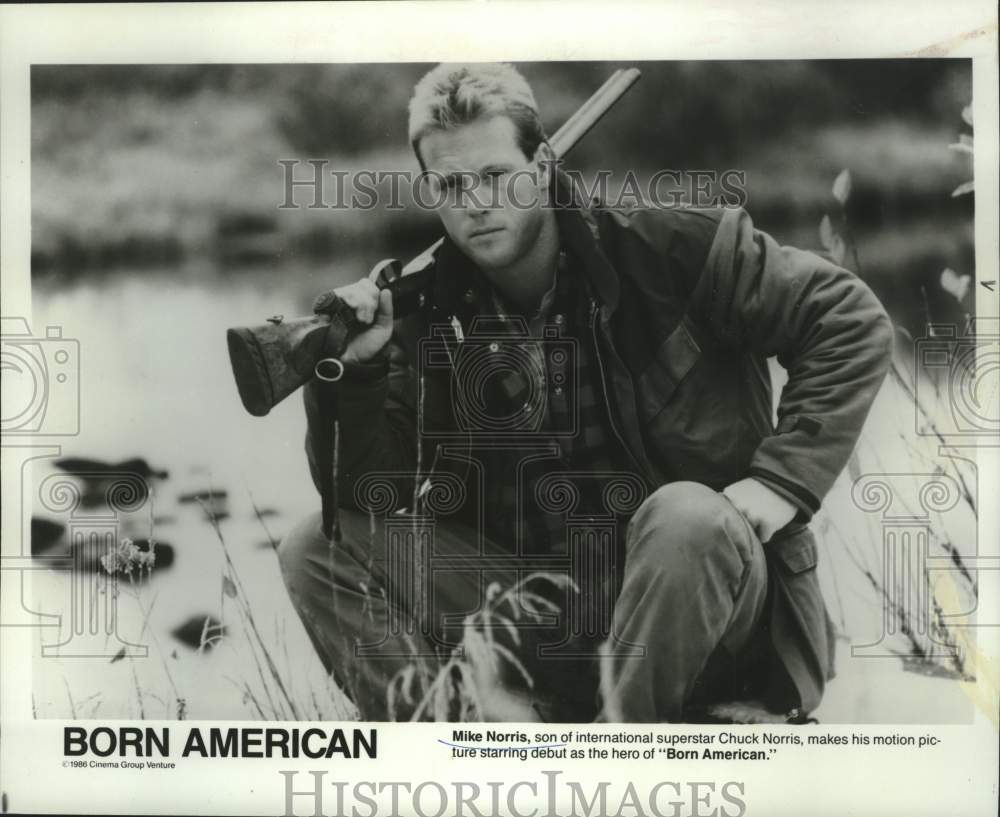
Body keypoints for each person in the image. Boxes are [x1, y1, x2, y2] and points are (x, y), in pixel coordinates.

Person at [277, 63, 894, 723]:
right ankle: (466, 745)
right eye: (449, 183)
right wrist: (354, 373)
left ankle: (615, 749)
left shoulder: (671, 247)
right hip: (543, 616)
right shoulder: (421, 311)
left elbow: (848, 319)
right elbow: (365, 499)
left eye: (495, 175)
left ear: (542, 165)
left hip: (707, 613)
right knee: (317, 544)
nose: (475, 202)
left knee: (687, 515)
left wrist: (782, 480)